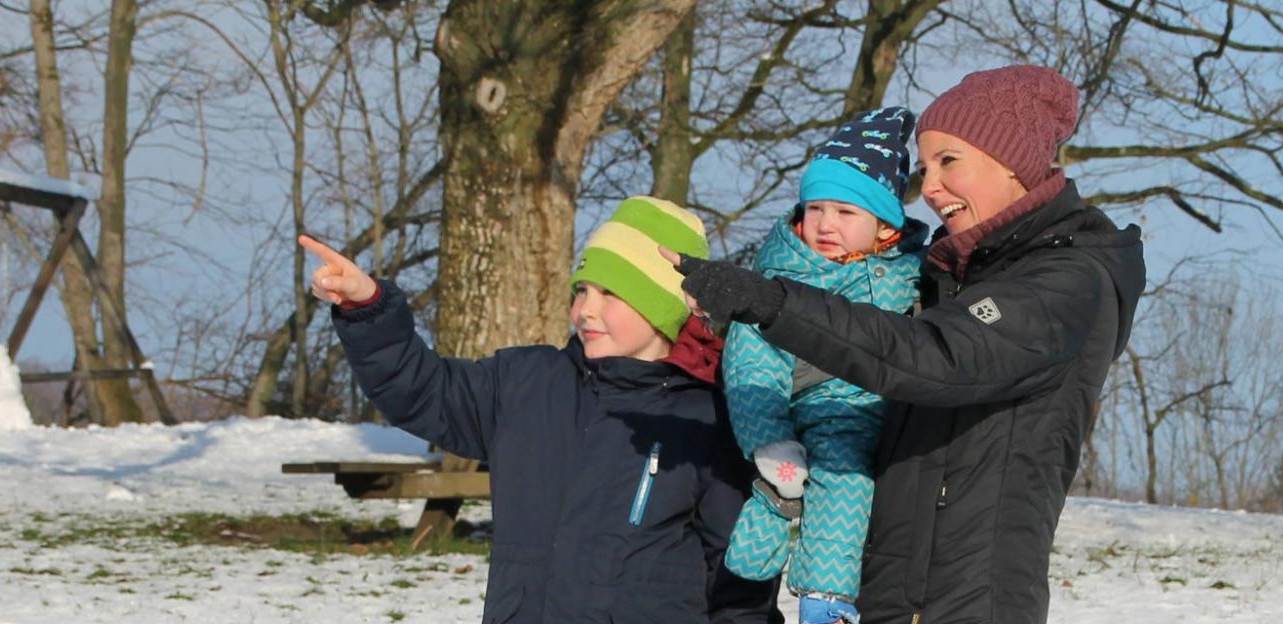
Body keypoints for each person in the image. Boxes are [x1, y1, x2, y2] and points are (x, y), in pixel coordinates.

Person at [661, 65, 1146, 624]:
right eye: (923, 167)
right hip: (891, 594)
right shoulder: (949, 273)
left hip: (965, 603)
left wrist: (774, 303)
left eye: (948, 162)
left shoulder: (1065, 280)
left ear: (1012, 161)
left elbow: (936, 356)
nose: (930, 187)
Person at [301, 196, 783, 624]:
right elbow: (422, 390)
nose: (586, 310)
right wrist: (369, 310)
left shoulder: (704, 416)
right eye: (582, 290)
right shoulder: (526, 384)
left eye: (611, 293)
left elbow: (738, 570)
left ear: (662, 306)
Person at [721, 107, 926, 624]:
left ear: (884, 227)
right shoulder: (782, 271)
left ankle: (815, 583)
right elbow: (754, 360)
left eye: (845, 212)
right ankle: (778, 470)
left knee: (848, 470)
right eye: (816, 209)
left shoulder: (909, 276)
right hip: (807, 398)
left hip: (875, 408)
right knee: (837, 465)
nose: (825, 225)